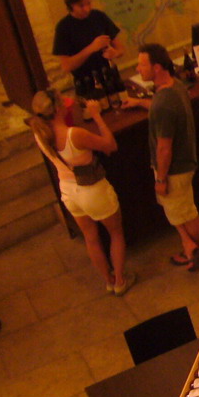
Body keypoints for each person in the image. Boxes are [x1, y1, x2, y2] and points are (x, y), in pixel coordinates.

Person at [28, 89, 134, 295]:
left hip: (68, 191)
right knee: (115, 232)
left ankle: (108, 280)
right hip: (93, 190)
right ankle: (121, 280)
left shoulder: (40, 134)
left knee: (90, 237)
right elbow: (110, 146)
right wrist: (96, 115)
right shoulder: (74, 134)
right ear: (59, 108)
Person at [124, 43, 199, 270]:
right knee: (179, 210)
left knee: (186, 213)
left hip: (174, 169)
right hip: (184, 161)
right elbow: (162, 108)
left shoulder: (163, 104)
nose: (138, 69)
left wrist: (161, 179)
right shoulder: (175, 87)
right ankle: (192, 245)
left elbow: (164, 148)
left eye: (142, 65)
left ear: (158, 67)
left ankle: (198, 250)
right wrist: (140, 102)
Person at [52, 0, 125, 84]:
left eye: (89, 3)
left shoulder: (99, 16)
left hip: (110, 76)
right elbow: (66, 66)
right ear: (71, 5)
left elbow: (121, 49)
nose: (86, 9)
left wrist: (115, 53)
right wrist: (92, 48)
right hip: (86, 82)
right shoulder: (63, 27)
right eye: (81, 6)